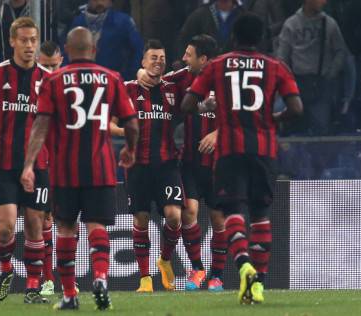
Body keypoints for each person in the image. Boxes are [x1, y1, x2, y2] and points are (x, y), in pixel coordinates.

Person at [181, 13, 303, 304]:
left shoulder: (217, 65)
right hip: (263, 149)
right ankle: (258, 283)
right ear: (260, 39)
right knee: (260, 215)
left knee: (232, 212)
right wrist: (275, 118)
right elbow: (297, 108)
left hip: (230, 151)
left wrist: (208, 105)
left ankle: (243, 264)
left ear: (233, 37)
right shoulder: (275, 66)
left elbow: (187, 104)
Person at [20, 27, 139, 310]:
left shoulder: (54, 80)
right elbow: (132, 123)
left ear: (67, 51)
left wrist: (29, 165)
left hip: (65, 171)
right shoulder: (112, 79)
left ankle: (71, 294)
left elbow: (40, 126)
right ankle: (100, 277)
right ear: (94, 51)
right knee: (97, 227)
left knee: (65, 229)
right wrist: (130, 149)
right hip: (101, 169)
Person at [136, 35, 227, 292]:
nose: (184, 59)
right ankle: (197, 268)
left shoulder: (225, 79)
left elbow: (240, 116)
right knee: (187, 213)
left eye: (189, 54)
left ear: (204, 59)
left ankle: (217, 275)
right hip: (188, 161)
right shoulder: (183, 77)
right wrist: (141, 70)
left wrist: (218, 133)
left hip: (219, 164)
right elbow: (156, 81)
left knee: (220, 221)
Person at [0, 17, 51, 304]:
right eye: (24, 40)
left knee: (34, 223)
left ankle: (32, 287)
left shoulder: (47, 79)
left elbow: (50, 127)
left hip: (38, 165)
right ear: (12, 41)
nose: (30, 46)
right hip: (3, 164)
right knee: (6, 227)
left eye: (33, 40)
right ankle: (6, 270)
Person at [116, 39, 183, 293]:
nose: (158, 62)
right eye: (152, 57)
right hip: (137, 166)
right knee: (141, 219)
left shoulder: (172, 89)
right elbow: (109, 123)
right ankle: (145, 279)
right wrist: (128, 130)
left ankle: (165, 260)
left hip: (167, 164)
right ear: (142, 62)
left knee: (175, 217)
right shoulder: (128, 89)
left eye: (162, 58)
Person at [276, 0, 347, 135]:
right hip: (297, 83)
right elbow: (282, 57)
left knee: (321, 129)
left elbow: (340, 51)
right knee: (294, 129)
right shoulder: (291, 24)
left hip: (321, 83)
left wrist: (331, 73)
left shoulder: (329, 24)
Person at [35, 40, 64, 296]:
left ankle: (68, 279)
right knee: (44, 218)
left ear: (62, 61)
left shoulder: (70, 86)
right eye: (45, 66)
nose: (50, 71)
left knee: (67, 220)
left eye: (54, 66)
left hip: (66, 161)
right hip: (40, 160)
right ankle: (47, 279)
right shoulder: (33, 86)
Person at [68, 0, 144, 80]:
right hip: (81, 78)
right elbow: (66, 51)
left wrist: (128, 76)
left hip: (113, 78)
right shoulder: (77, 22)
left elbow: (138, 50)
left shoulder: (123, 22)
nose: (99, 2)